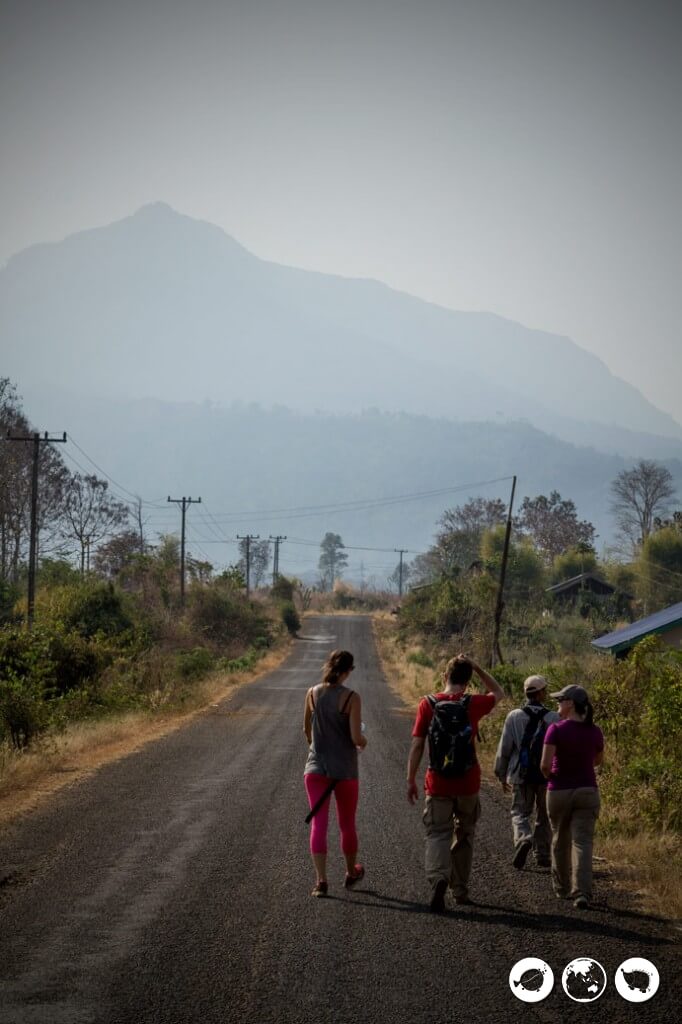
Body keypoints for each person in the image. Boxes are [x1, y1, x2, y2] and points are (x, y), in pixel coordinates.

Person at [407, 654, 503, 912]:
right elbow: (499, 692)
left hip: (437, 782)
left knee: (438, 832)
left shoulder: (427, 703)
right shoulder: (473, 703)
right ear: (468, 680)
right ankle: (460, 889)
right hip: (468, 782)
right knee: (465, 833)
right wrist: (478, 665)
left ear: (444, 677)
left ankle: (439, 877)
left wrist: (410, 779)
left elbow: (417, 744)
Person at [303, 649, 367, 898]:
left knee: (319, 824)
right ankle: (351, 872)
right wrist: (364, 740)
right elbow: (355, 737)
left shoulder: (311, 694)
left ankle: (321, 881)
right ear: (348, 670)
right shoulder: (352, 698)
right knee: (347, 823)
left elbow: (307, 731)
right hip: (345, 771)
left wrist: (318, 747)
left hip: (315, 769)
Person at [540, 684, 604, 910]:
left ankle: (562, 887)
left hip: (559, 790)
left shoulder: (555, 730)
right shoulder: (595, 731)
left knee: (560, 837)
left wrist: (552, 775)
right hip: (587, 790)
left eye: (560, 700)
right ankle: (582, 893)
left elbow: (545, 765)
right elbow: (597, 761)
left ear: (570, 704)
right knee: (583, 842)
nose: (558, 703)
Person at [494, 675, 560, 869]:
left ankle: (523, 838)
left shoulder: (514, 716)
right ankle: (543, 854)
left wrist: (500, 773)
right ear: (541, 693)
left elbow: (505, 748)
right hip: (545, 775)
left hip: (520, 773)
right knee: (544, 814)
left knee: (519, 812)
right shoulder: (554, 718)